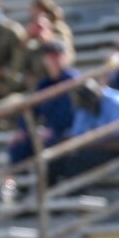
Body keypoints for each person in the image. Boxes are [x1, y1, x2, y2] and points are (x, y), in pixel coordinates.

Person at [48, 77, 119, 185]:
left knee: (77, 161)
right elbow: (76, 137)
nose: (87, 107)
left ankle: (78, 194)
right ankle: (50, 198)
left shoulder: (116, 103)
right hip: (98, 151)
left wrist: (87, 144)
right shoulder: (84, 107)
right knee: (55, 161)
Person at [6, 40, 80, 168]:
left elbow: (73, 111)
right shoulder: (44, 84)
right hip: (49, 132)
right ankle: (14, 186)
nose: (54, 60)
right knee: (18, 146)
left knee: (49, 149)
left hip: (71, 131)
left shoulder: (73, 79)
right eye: (51, 56)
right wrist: (22, 130)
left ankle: (51, 184)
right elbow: (33, 108)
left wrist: (55, 129)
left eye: (58, 55)